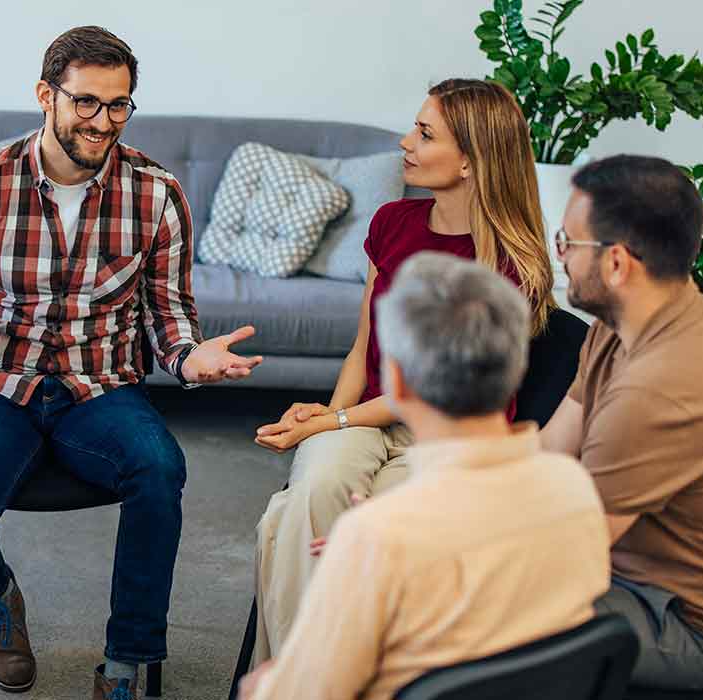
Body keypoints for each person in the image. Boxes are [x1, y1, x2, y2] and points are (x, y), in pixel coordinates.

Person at [0, 26, 262, 700]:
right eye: (86, 103)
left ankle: (125, 667)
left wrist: (190, 361)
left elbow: (170, 318)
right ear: (46, 95)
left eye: (119, 105)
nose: (102, 122)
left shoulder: (156, 194)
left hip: (99, 385)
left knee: (161, 467)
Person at [249, 78, 557, 661]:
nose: (405, 141)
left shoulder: (510, 264)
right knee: (313, 490)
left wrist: (329, 422)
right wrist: (329, 413)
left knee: (313, 529)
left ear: (471, 160)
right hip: (366, 414)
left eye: (424, 133)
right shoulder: (392, 222)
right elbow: (364, 343)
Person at [239, 252, 610, 699]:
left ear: (396, 378)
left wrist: (372, 546)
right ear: (516, 368)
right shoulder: (576, 492)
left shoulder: (379, 536)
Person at [543, 154, 703, 690]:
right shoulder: (627, 324)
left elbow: (564, 550)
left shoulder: (661, 387)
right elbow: (548, 454)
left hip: (681, 628)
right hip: (628, 575)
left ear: (616, 263)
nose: (558, 256)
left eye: (567, 242)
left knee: (458, 603)